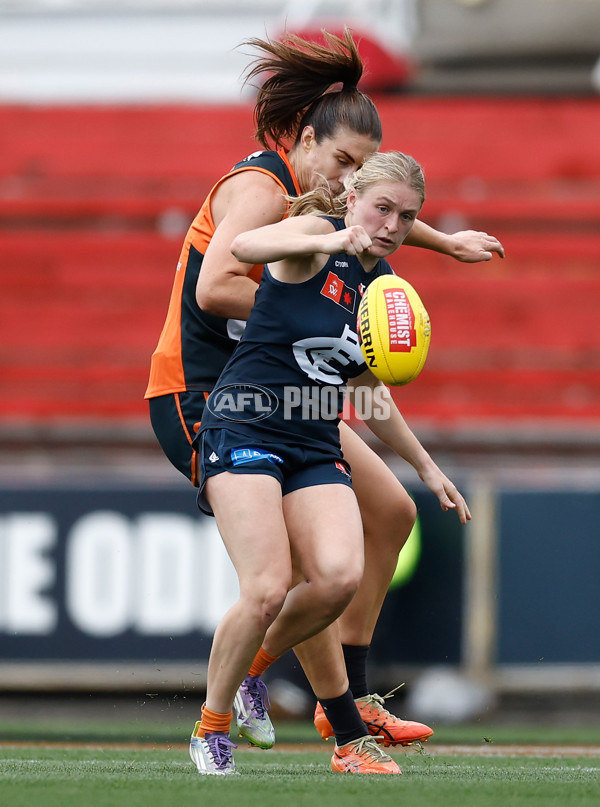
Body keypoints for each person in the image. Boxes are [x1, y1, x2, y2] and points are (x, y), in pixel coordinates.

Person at [145, 28, 504, 756]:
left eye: (361, 171)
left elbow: (371, 213)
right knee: (298, 571)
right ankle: (339, 720)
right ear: (305, 138)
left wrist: (445, 243)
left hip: (290, 392)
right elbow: (216, 287)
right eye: (342, 162)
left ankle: (344, 694)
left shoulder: (327, 205)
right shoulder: (261, 189)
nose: (350, 180)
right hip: (208, 389)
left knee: (390, 510)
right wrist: (310, 315)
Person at [188, 150, 471, 775]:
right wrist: (339, 233)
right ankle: (211, 729)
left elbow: (367, 390)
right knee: (265, 588)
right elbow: (247, 247)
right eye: (384, 209)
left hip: (315, 436)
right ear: (352, 200)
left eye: (408, 215)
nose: (394, 225)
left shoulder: (380, 287)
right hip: (245, 420)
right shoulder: (316, 237)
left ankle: (251, 675)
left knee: (338, 578)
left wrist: (427, 468)